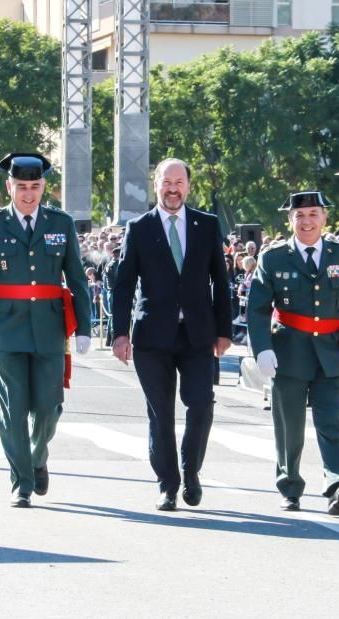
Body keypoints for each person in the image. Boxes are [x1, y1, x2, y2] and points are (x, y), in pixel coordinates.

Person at [0, 153, 92, 508]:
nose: (29, 194)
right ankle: (21, 481)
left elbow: (77, 278)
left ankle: (36, 457)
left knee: (50, 408)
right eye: (22, 187)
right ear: (9, 187)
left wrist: (84, 327)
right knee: (13, 408)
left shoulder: (60, 223)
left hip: (50, 327)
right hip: (7, 327)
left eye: (35, 187)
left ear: (44, 187)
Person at [111, 158, 232, 511]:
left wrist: (224, 331)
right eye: (167, 182)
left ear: (188, 186)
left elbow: (220, 283)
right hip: (152, 338)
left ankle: (190, 471)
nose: (173, 189)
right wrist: (120, 334)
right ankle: (167, 483)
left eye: (179, 182)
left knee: (200, 405)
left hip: (197, 336)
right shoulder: (139, 228)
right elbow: (123, 285)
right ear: (156, 185)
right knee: (160, 413)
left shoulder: (207, 225)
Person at [247, 191, 339, 514]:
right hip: (289, 352)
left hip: (332, 354)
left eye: (313, 214)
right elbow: (257, 309)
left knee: (331, 423)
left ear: (324, 218)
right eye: (300, 216)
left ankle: (338, 484)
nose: (307, 221)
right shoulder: (273, 258)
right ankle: (290, 485)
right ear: (290, 221)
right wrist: (262, 349)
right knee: (290, 425)